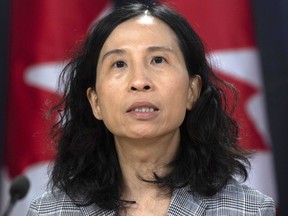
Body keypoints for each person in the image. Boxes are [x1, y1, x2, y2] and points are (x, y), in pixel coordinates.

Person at [27, 1, 275, 215]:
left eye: (158, 60)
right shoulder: (50, 212)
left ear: (192, 91)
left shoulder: (247, 210)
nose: (139, 82)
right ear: (96, 102)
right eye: (119, 64)